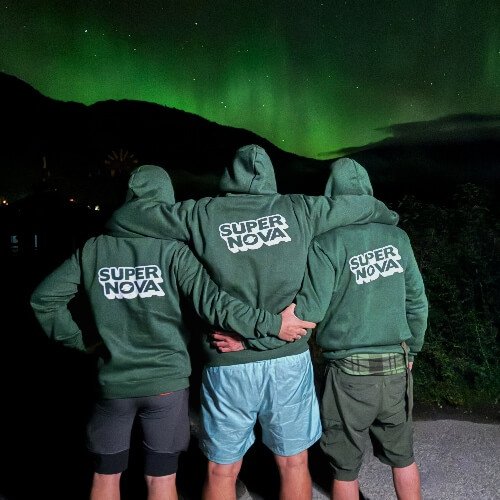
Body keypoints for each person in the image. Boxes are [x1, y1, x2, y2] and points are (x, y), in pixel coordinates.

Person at [105, 145, 399, 500]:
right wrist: (386, 214)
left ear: (229, 176)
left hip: (228, 360)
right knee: (294, 462)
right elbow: (358, 205)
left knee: (221, 469)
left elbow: (131, 217)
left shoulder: (201, 213)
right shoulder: (299, 208)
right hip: (288, 358)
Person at [30, 165, 314, 500]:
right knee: (162, 480)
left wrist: (82, 341)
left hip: (113, 383)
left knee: (105, 477)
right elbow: (214, 304)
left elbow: (44, 300)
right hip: (167, 383)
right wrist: (272, 325)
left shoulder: (93, 249)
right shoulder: (175, 252)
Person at [294, 158, 428, 500]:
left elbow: (311, 311)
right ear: (369, 191)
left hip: (349, 374)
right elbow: (417, 302)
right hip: (396, 367)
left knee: (344, 468)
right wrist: (412, 350)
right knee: (404, 457)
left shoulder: (326, 243)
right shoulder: (398, 238)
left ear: (331, 195)